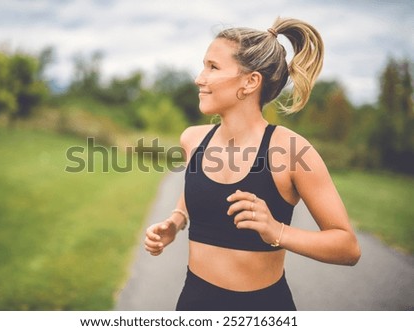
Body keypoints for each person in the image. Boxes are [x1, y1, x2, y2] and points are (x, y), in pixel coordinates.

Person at [144, 17, 361, 311]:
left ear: (250, 81)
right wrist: (176, 221)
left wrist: (277, 231)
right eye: (203, 66)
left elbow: (347, 248)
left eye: (213, 67)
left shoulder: (291, 150)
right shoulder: (193, 140)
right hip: (193, 303)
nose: (199, 78)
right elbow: (198, 191)